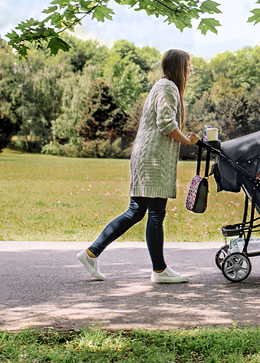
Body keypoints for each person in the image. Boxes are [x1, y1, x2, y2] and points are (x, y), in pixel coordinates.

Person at [77, 49, 201, 283]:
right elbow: (166, 123)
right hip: (153, 159)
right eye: (188, 65)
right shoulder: (168, 87)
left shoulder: (162, 86)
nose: (190, 69)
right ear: (178, 67)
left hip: (145, 156)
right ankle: (160, 271)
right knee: (155, 213)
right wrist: (188, 141)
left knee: (136, 211)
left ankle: (91, 253)